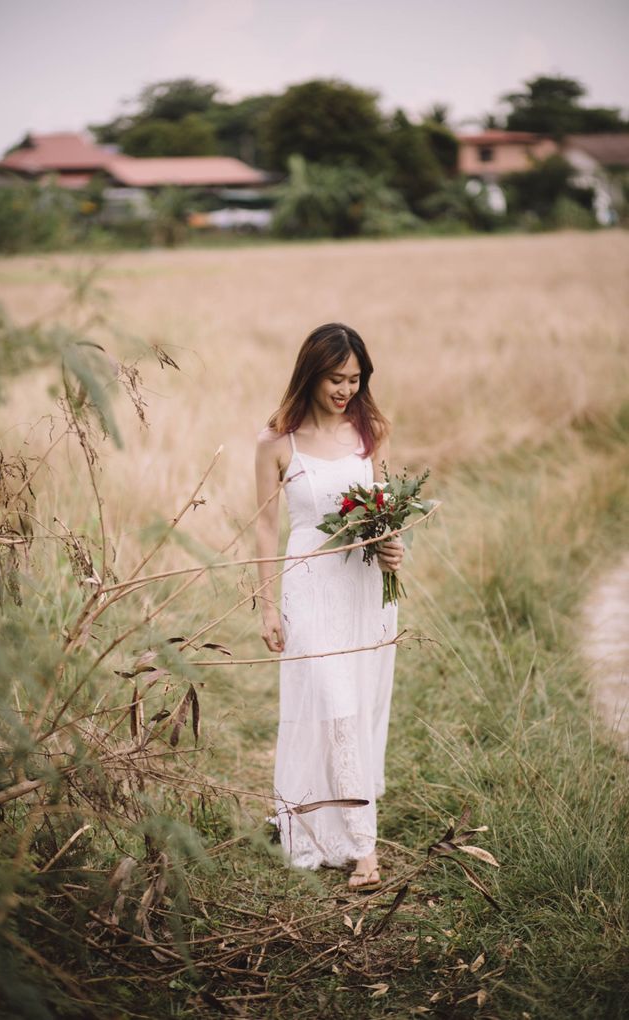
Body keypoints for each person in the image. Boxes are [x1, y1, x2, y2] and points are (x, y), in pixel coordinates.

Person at [254, 323, 404, 891]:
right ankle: (364, 849)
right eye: (336, 379)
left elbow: (384, 509)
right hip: (308, 586)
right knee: (332, 700)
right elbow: (266, 527)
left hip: (364, 588)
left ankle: (336, 815)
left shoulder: (371, 431)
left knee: (358, 704)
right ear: (311, 374)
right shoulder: (276, 443)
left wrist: (394, 547)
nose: (346, 389)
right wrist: (266, 607)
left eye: (355, 379)